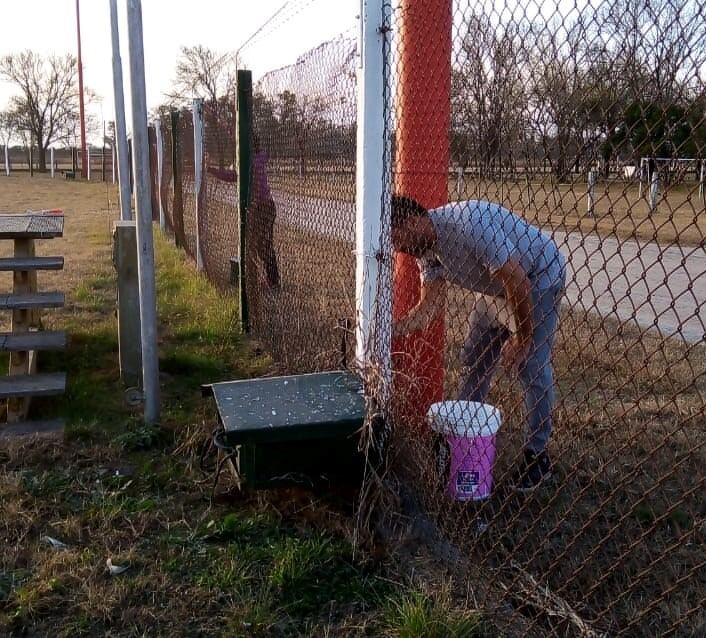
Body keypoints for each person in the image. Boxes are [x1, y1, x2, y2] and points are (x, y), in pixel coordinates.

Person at [391, 195, 566, 491]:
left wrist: (522, 338)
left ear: (411, 221)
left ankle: (538, 455)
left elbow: (518, 281)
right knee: (474, 357)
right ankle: (464, 434)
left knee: (531, 366)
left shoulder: (468, 224)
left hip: (537, 278)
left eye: (398, 239)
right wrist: (391, 329)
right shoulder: (425, 249)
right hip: (496, 288)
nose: (399, 250)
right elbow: (429, 308)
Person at [249, 135, 280, 288]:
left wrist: (211, 169)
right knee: (262, 244)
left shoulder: (253, 162)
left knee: (264, 245)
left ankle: (272, 280)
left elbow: (233, 176)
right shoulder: (260, 157)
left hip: (264, 208)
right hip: (264, 207)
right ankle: (272, 279)